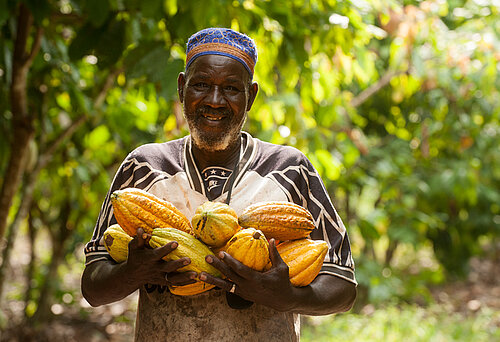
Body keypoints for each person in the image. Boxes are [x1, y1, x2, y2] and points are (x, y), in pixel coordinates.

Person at [81, 27, 357, 341]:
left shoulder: (290, 169)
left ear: (250, 96)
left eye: (230, 89)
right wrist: (131, 272)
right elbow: (92, 286)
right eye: (201, 85)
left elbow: (343, 283)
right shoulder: (145, 167)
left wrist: (290, 297)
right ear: (182, 87)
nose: (214, 100)